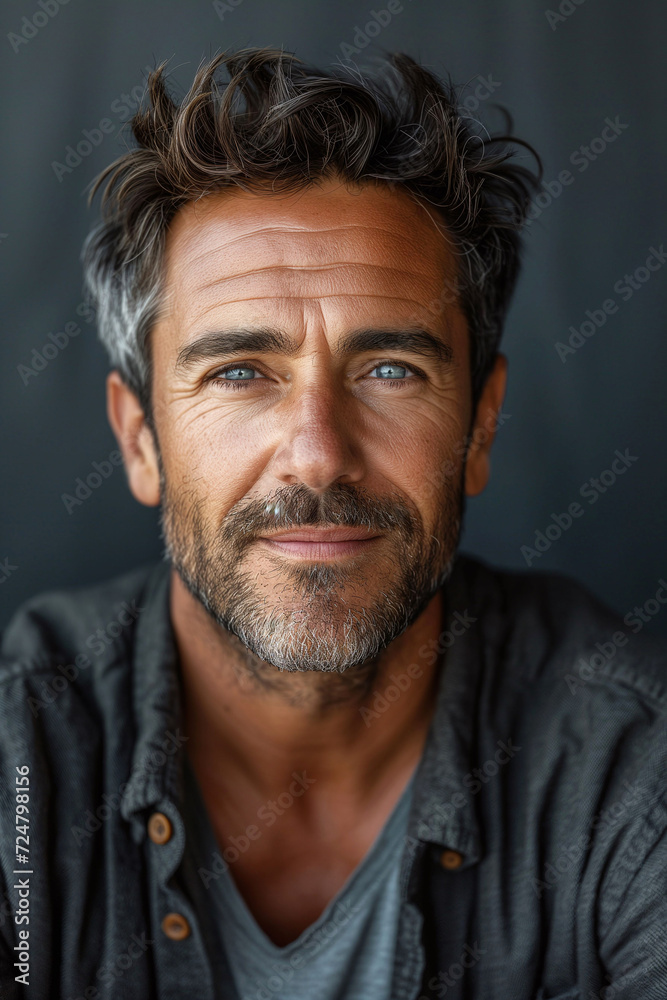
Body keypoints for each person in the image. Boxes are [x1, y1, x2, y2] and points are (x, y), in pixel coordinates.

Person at [1, 47, 665, 1000]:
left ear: (479, 423)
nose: (317, 453)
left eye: (389, 369)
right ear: (140, 437)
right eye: (238, 372)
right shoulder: (20, 764)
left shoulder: (628, 771)